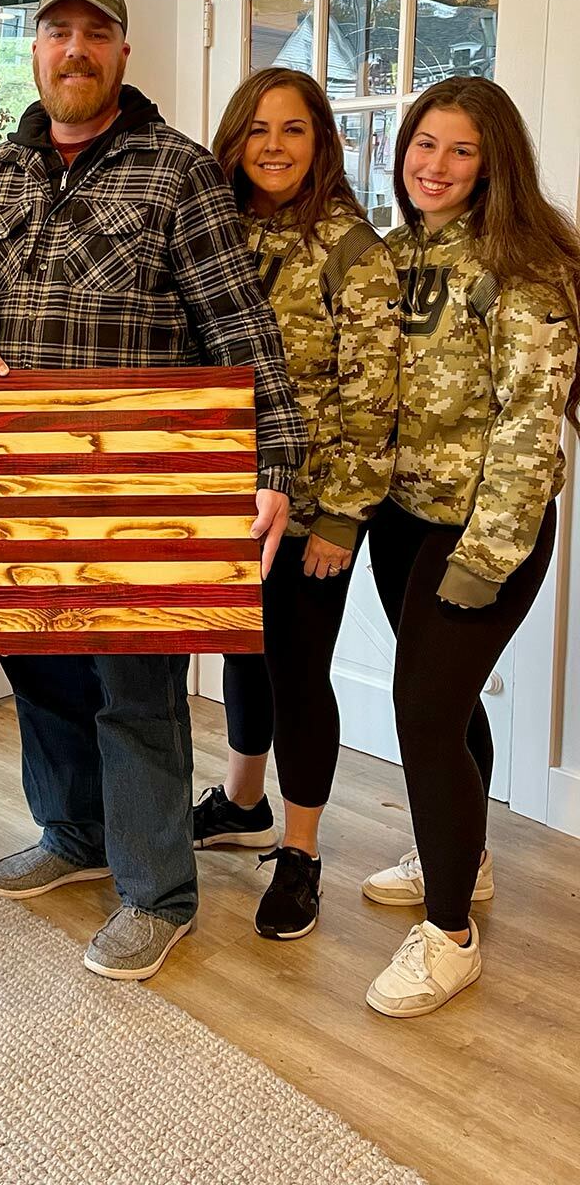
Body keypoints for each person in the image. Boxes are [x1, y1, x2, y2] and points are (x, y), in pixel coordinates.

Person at [0, 0, 307, 981]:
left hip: (140, 487)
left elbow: (241, 325)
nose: (74, 50)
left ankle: (158, 890)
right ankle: (76, 835)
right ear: (36, 52)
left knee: (132, 689)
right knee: (46, 673)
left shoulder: (177, 173)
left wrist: (270, 461)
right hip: (21, 486)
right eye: (56, 33)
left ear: (121, 51)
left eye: (92, 33)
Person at [360, 76, 580, 1017]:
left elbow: (532, 426)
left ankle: (450, 936)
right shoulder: (394, 255)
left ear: (495, 165)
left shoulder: (524, 271)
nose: (434, 166)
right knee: (443, 703)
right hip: (400, 521)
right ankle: (468, 858)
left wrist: (485, 557)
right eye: (423, 144)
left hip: (485, 532)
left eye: (460, 151)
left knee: (422, 713)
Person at [196, 68, 399, 938]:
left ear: (322, 142)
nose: (273, 146)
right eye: (257, 129)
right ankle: (243, 804)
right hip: (221, 497)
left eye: (294, 130)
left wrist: (342, 517)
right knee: (242, 653)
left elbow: (375, 396)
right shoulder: (216, 232)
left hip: (313, 507)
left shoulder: (354, 249)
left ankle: (304, 849)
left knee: (298, 670)